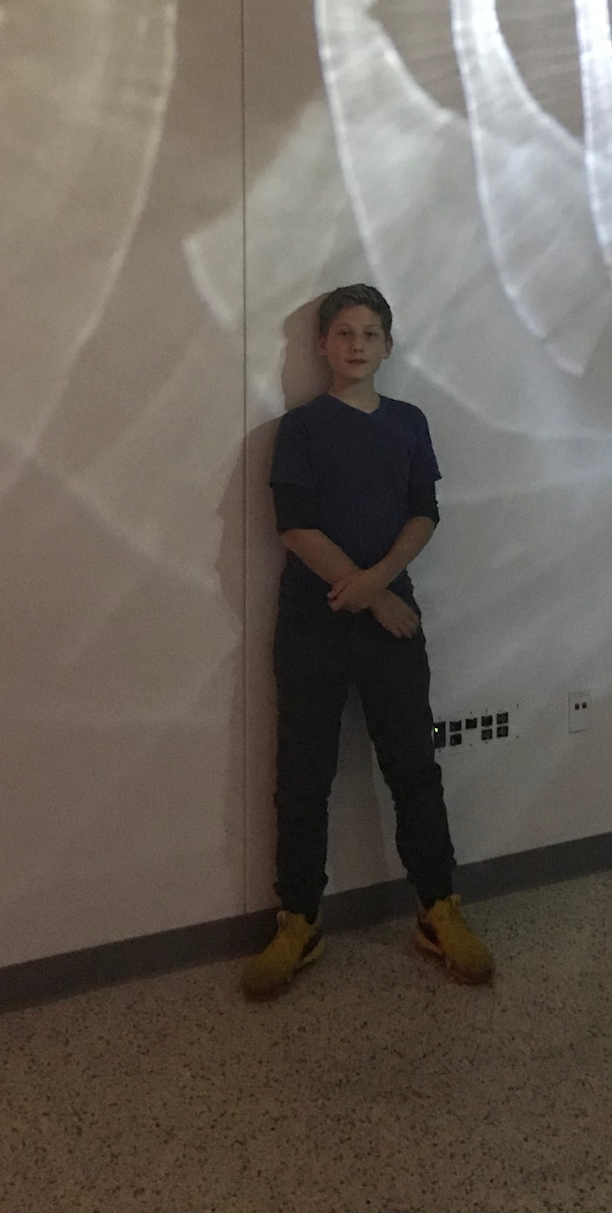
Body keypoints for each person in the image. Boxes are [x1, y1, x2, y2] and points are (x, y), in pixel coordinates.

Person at [241, 283, 495, 998]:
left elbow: (424, 511)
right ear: (322, 345)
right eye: (344, 333)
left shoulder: (409, 422)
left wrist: (379, 585)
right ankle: (299, 920)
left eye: (370, 333)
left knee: (414, 765)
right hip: (312, 624)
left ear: (388, 345)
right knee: (303, 777)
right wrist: (366, 593)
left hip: (393, 622)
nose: (357, 345)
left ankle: (437, 908)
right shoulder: (300, 428)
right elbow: (294, 525)